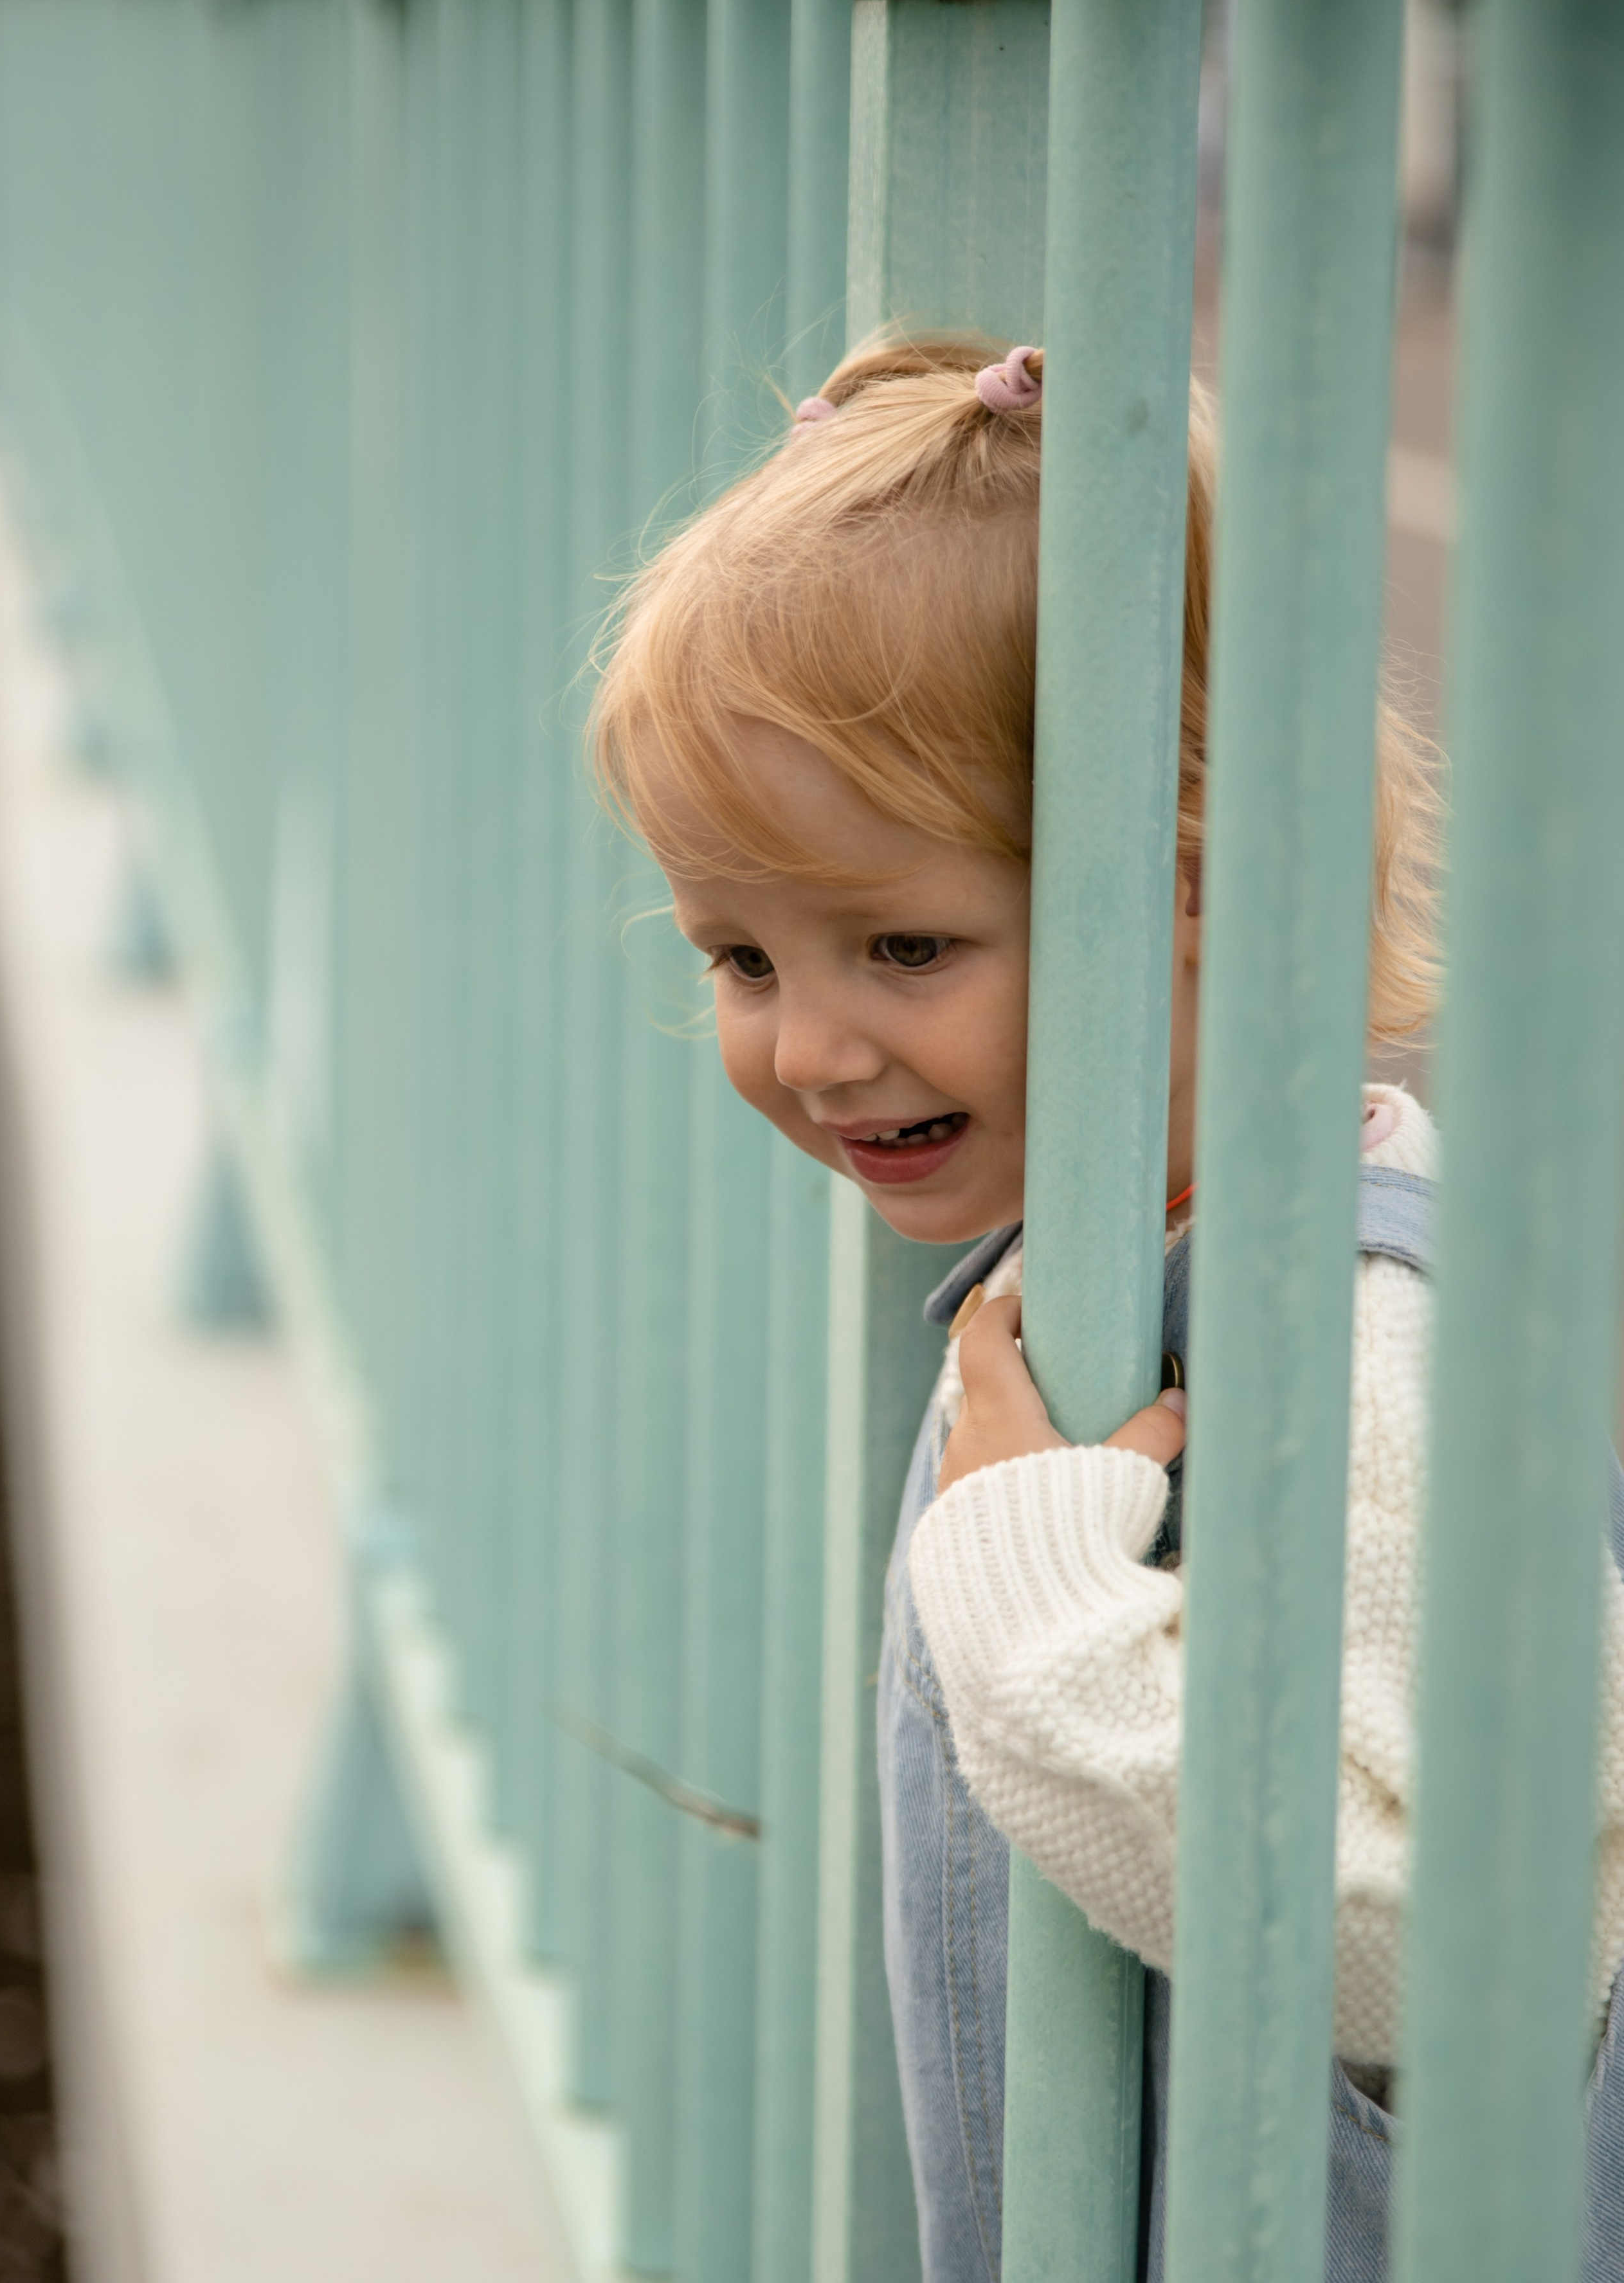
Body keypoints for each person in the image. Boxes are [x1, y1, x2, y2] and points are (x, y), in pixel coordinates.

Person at [587, 336, 1624, 2281]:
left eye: (905, 944)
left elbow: (1429, 1924)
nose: (810, 1045)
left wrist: (1040, 1604)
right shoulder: (1147, 1245)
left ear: (1211, 880)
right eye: (740, 952)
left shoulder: (1355, 1345)